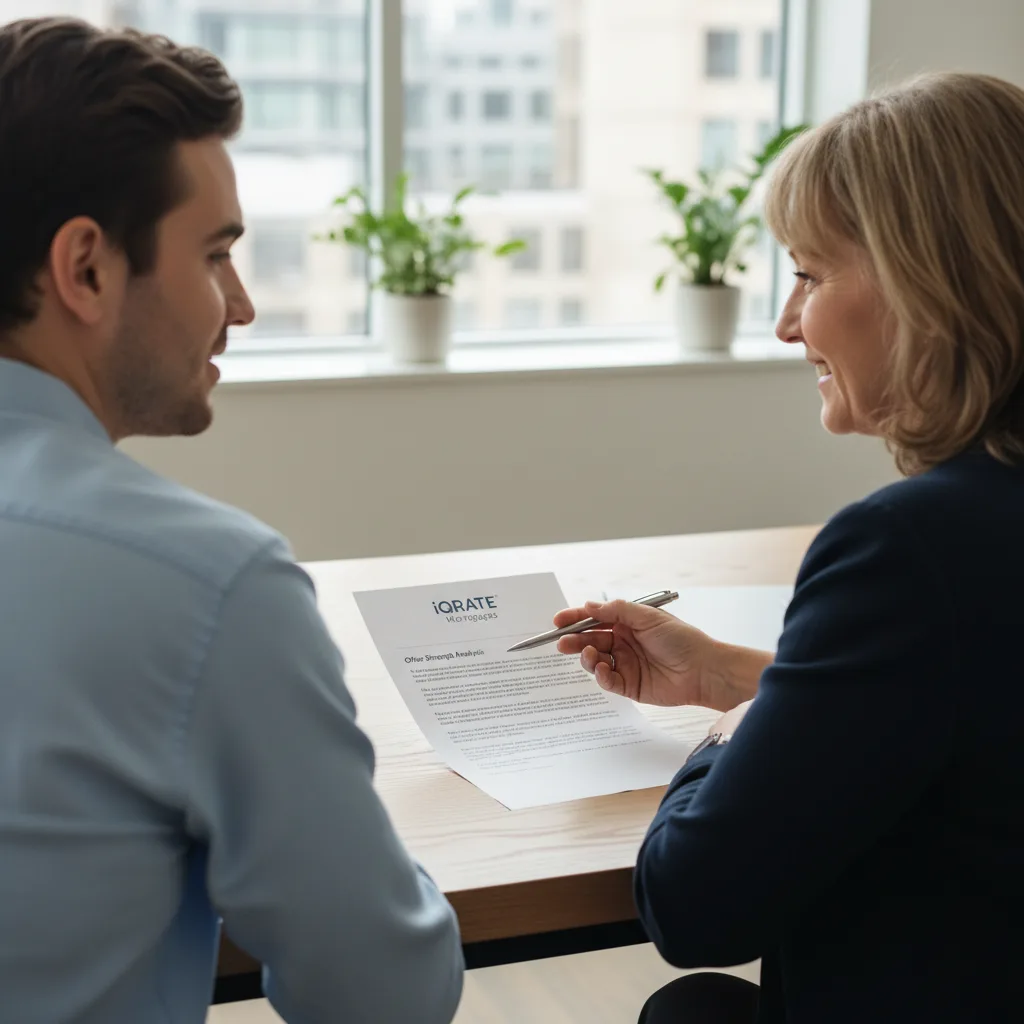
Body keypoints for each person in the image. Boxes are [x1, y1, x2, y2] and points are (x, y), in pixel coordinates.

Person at [0, 17, 463, 1024]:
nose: (240, 305)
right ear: (85, 269)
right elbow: (380, 994)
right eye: (214, 255)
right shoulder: (205, 584)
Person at [556, 72, 1024, 1023]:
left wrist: (730, 734)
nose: (785, 322)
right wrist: (745, 676)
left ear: (921, 283)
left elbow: (693, 907)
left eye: (808, 274)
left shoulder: (908, 547)